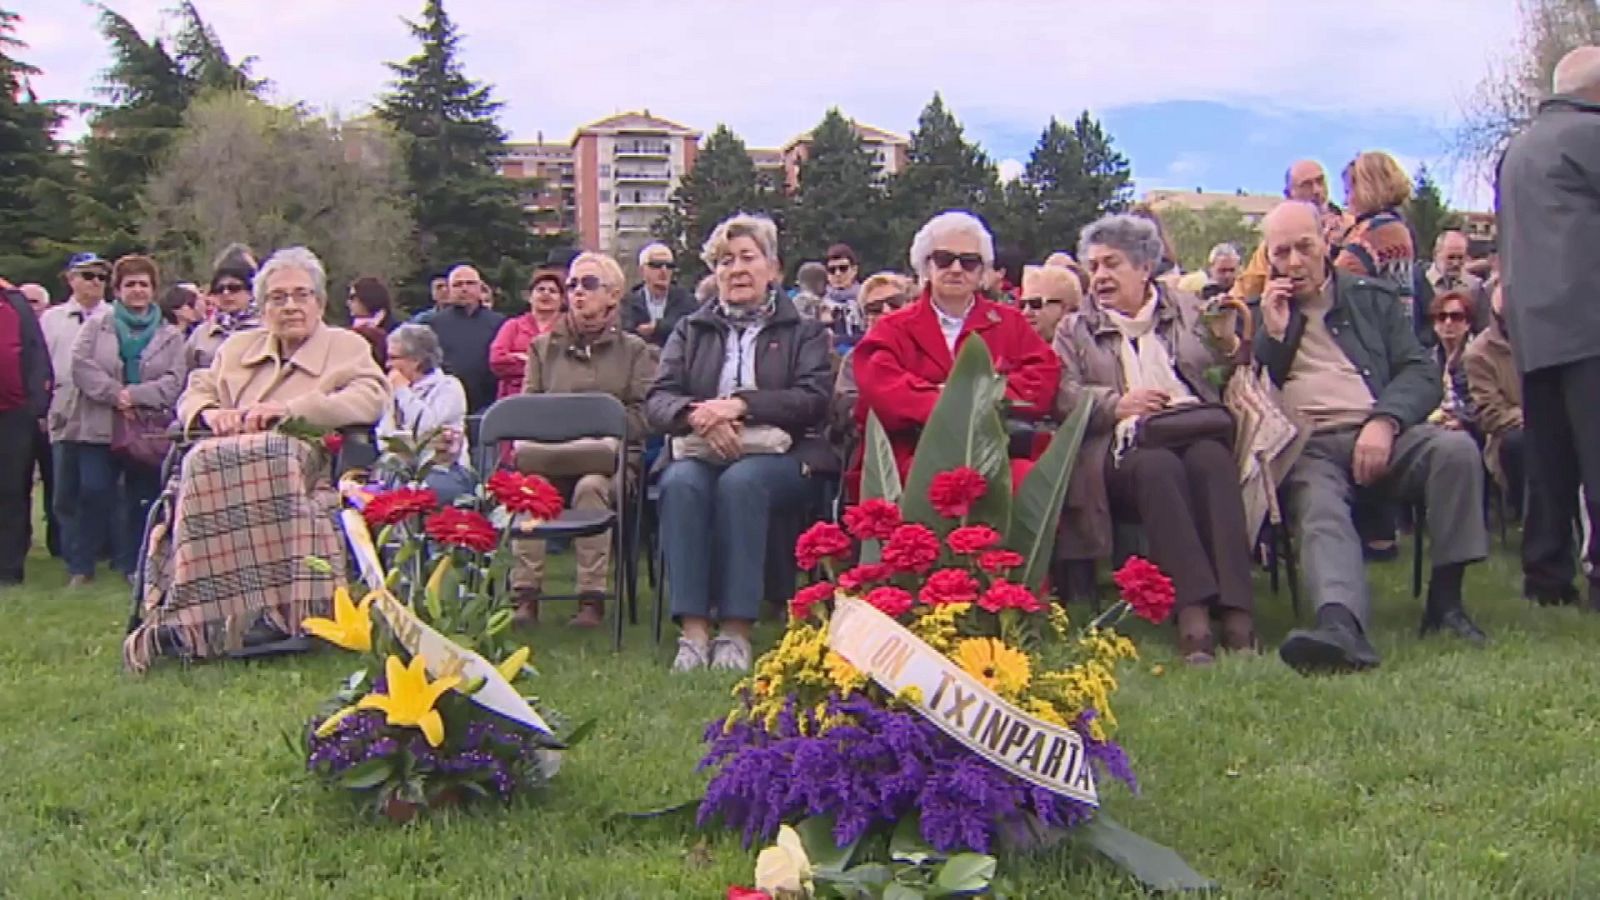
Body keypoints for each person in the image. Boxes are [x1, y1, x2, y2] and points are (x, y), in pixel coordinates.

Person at [129, 247, 391, 672]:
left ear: (320, 302)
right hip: (223, 458)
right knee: (201, 461)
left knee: (273, 454)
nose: (290, 306)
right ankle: (200, 620)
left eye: (301, 295)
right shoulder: (237, 347)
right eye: (277, 297)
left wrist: (290, 411)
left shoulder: (346, 346)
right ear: (263, 306)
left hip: (309, 460)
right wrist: (210, 414)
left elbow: (370, 397)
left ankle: (282, 613)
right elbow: (197, 389)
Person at [1255, 201, 1488, 675]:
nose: (1295, 262)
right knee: (1317, 503)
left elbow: (1420, 371)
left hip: (1382, 429)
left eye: (1304, 247)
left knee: (1455, 450)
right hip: (1311, 442)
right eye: (1282, 252)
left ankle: (1446, 606)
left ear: (1326, 242)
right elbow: (1255, 389)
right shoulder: (1263, 312)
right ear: (1268, 257)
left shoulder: (1370, 298)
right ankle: (1340, 625)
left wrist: (1385, 421)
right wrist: (1273, 335)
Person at [1055, 214, 1255, 663]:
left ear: (1145, 267)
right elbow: (1063, 394)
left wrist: (1222, 343)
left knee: (1211, 461)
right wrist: (1117, 403)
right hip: (1122, 448)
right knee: (1157, 468)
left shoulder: (1186, 309)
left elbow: (1219, 368)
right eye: (1093, 266)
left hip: (1192, 427)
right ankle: (1193, 615)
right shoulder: (1075, 327)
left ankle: (1238, 612)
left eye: (1112, 264)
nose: (1100, 276)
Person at [646, 213, 834, 673]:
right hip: (701, 446)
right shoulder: (691, 329)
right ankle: (693, 632)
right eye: (725, 261)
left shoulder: (805, 331)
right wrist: (698, 415)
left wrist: (740, 405)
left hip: (784, 454)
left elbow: (812, 400)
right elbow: (658, 400)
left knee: (742, 482)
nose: (736, 269)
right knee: (681, 483)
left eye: (748, 257)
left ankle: (735, 629)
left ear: (774, 269)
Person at [851, 211, 1059, 491]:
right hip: (915, 451)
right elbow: (880, 387)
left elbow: (1042, 377)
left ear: (983, 271)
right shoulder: (892, 328)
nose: (957, 269)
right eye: (944, 259)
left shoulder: (1011, 322)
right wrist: (949, 404)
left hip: (996, 450)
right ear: (926, 266)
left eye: (969, 262)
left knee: (1029, 481)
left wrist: (980, 400)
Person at [1496, 44, 1600, 608]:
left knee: (1549, 462)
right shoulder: (1590, 136)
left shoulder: (1517, 150)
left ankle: (1546, 576)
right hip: (1590, 320)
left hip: (1532, 326)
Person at [510, 252, 654, 628]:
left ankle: (591, 598)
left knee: (591, 488)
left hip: (609, 461)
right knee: (531, 488)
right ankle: (525, 594)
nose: (576, 291)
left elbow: (644, 414)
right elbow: (527, 409)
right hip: (551, 456)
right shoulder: (542, 348)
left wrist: (602, 425)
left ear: (613, 295)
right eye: (571, 284)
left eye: (588, 284)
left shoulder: (635, 351)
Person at [63, 255, 186, 586]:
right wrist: (115, 394)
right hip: (99, 425)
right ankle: (81, 566)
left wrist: (135, 396)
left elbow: (174, 380)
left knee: (141, 499)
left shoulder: (170, 335)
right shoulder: (97, 326)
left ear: (153, 290)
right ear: (117, 290)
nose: (137, 290)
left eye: (143, 284)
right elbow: (81, 365)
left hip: (145, 430)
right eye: (130, 284)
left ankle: (134, 564)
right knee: (94, 491)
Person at [377, 324, 473, 503]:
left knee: (420, 491)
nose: (388, 365)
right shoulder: (394, 389)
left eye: (394, 358)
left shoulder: (449, 387)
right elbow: (383, 436)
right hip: (401, 469)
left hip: (445, 470)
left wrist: (403, 391)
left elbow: (427, 428)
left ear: (416, 360)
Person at [1231, 160, 1352, 301]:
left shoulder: (1352, 226)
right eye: (1306, 185)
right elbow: (1245, 289)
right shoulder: (1276, 242)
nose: (1317, 190)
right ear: (1289, 194)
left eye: (1320, 181)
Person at [829, 272, 913, 464]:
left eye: (894, 302)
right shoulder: (854, 359)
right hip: (873, 448)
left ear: (910, 305)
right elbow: (845, 410)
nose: (886, 311)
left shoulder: (927, 349)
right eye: (874, 308)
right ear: (865, 318)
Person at [0, 281, 51, 585]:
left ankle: (9, 567)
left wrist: (36, 405)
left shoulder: (15, 302)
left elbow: (36, 352)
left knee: (13, 488)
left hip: (15, 414)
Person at [1463, 282, 1526, 519]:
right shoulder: (1479, 354)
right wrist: (1537, 417)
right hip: (1510, 436)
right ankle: (1528, 513)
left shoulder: (1548, 340)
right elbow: (1491, 415)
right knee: (1518, 442)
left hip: (1559, 424)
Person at [428, 264, 506, 414]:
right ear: (449, 290)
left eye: (470, 283)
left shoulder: (499, 323)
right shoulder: (434, 324)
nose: (464, 288)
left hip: (489, 402)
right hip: (447, 401)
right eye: (458, 285)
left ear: (480, 288)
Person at [19, 282, 58, 557]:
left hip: (56, 415)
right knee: (18, 481)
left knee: (55, 481)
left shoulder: (55, 327)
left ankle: (59, 540)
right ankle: (20, 539)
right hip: (20, 416)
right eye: (24, 301)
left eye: (34, 302)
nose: (28, 308)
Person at [490, 269, 565, 400]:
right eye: (541, 289)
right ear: (529, 296)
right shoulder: (513, 325)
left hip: (557, 397)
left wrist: (521, 358)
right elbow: (497, 361)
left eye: (552, 291)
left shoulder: (569, 328)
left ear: (562, 299)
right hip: (514, 399)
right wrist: (540, 365)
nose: (546, 293)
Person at [186, 244, 259, 372]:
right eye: (220, 289)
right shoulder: (201, 334)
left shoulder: (267, 328)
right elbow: (185, 373)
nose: (226, 293)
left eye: (234, 288)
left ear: (250, 291)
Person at [1427, 290, 1479, 442]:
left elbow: (1482, 403)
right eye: (1441, 317)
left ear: (1467, 323)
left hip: (1472, 430)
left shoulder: (1480, 356)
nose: (1448, 323)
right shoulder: (1428, 359)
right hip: (1435, 427)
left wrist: (1463, 421)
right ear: (1434, 325)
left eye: (1456, 317)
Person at [622, 242, 694, 347]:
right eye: (656, 265)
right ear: (642, 270)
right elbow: (625, 331)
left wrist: (656, 328)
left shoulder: (686, 300)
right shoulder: (628, 302)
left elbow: (688, 329)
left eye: (669, 266)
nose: (664, 271)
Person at [1427, 231, 1490, 332]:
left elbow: (1483, 328)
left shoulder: (1474, 286)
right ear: (1435, 255)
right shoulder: (1420, 283)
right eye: (1450, 257)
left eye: (1460, 258)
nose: (1456, 263)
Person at [1020, 263, 1080, 342]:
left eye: (1035, 303)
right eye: (1022, 305)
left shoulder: (1087, 346)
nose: (1025, 312)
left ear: (1065, 308)